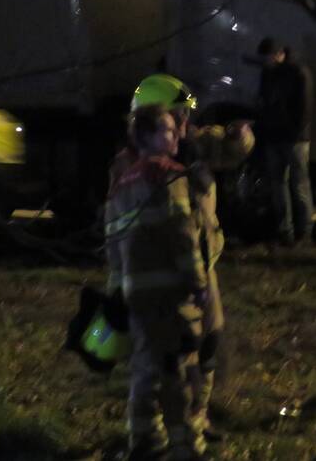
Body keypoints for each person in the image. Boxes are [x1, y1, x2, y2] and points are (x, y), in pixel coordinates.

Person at [107, 74, 253, 458]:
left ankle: (188, 424)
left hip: (198, 269)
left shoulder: (189, 147)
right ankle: (174, 439)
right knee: (169, 363)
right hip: (174, 276)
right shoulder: (136, 167)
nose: (185, 127)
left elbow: (231, 150)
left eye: (185, 119)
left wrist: (241, 134)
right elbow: (175, 229)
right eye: (177, 119)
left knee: (207, 344)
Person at [104, 104, 208, 461]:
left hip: (137, 292)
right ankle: (185, 447)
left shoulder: (121, 185)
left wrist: (118, 289)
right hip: (168, 291)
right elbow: (183, 235)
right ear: (146, 137)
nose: (174, 135)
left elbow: (113, 244)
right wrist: (198, 281)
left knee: (146, 368)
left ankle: (144, 441)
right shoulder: (168, 176)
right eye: (165, 129)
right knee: (177, 370)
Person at [256, 38, 314, 246]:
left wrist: (291, 131)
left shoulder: (297, 73)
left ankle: (300, 231)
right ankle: (292, 232)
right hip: (282, 136)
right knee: (287, 185)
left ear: (278, 54)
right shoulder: (289, 72)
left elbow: (303, 109)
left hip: (292, 138)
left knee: (293, 185)